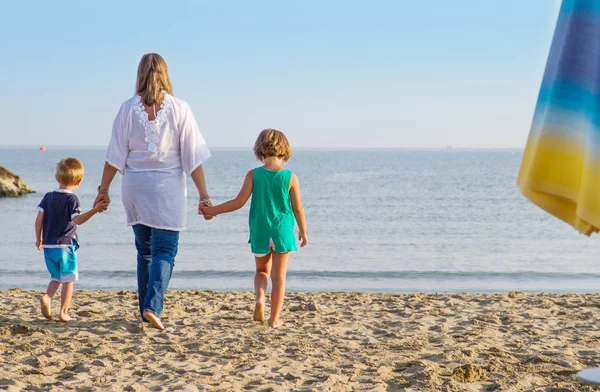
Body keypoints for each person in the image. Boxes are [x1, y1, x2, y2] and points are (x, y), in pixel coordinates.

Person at [93, 53, 212, 330]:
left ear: (139, 74)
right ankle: (152, 306)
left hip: (135, 187)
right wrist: (203, 196)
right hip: (166, 188)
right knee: (165, 251)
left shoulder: (126, 108)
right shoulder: (180, 108)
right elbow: (192, 157)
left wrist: (104, 190)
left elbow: (114, 155)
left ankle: (144, 311)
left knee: (144, 251)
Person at [200, 129, 307, 328]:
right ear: (284, 148)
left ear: (260, 149)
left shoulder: (254, 174)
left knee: (261, 271)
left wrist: (213, 210)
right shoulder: (290, 177)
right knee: (279, 277)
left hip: (260, 230)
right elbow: (297, 208)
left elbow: (238, 202)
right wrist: (303, 230)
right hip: (282, 231)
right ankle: (274, 320)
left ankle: (260, 299)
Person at [35, 157, 108, 322]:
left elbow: (39, 219)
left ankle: (47, 297)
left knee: (57, 277)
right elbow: (77, 220)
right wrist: (95, 210)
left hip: (48, 246)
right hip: (65, 245)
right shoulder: (72, 199)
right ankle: (63, 312)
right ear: (79, 181)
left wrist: (38, 238)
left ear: (57, 178)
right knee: (69, 279)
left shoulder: (48, 197)